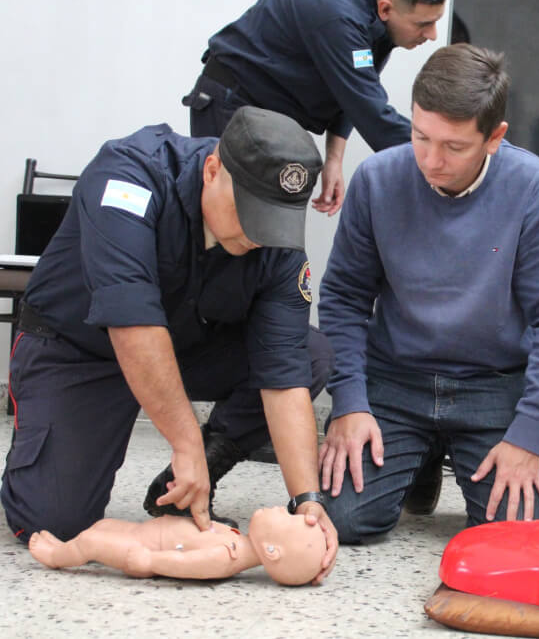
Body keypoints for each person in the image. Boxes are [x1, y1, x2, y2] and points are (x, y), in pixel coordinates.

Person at [1, 106, 337, 583]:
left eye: (273, 222)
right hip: (77, 350)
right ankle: (56, 438)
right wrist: (183, 443)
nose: (259, 236)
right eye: (249, 214)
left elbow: (283, 371)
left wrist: (308, 501)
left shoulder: (274, 244)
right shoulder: (128, 177)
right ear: (213, 169)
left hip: (182, 348)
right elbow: (133, 326)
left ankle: (196, 467)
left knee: (311, 353)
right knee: (52, 521)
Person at [316, 43, 539, 542]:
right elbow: (343, 299)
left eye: (454, 147)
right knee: (343, 521)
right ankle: (415, 455)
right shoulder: (377, 179)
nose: (432, 160)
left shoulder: (535, 188)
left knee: (513, 537)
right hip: (396, 380)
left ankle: (431, 448)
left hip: (493, 383)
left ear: (494, 137)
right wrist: (350, 404)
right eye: (421, 136)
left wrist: (528, 435)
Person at [182, 0, 448, 215]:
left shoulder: (374, 13)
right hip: (231, 106)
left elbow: (350, 89)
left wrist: (334, 158)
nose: (433, 34)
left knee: (264, 236)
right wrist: (451, 156)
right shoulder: (337, 14)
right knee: (228, 226)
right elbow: (373, 115)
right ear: (386, 9)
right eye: (424, 23)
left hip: (272, 118)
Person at [29, 506, 326, 586]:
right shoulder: (238, 539)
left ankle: (56, 556)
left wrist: (150, 561)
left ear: (272, 551)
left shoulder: (227, 556)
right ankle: (67, 548)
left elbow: (187, 565)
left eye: (284, 517)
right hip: (145, 533)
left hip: (145, 551)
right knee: (101, 529)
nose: (279, 507)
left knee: (92, 542)